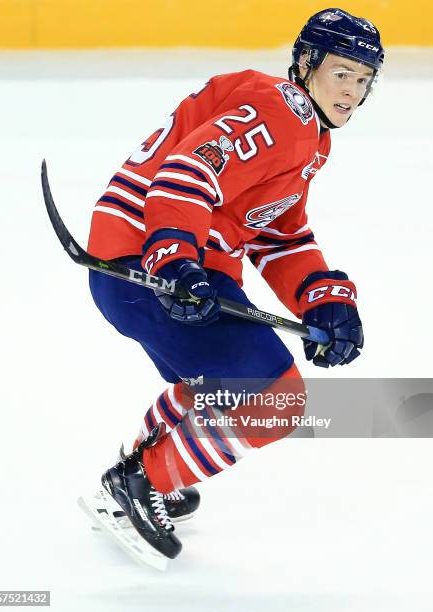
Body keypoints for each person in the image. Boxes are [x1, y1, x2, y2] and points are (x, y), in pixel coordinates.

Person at [86, 8, 384, 560]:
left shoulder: (308, 136)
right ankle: (141, 482)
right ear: (306, 63)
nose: (352, 91)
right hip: (148, 263)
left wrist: (324, 297)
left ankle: (141, 470)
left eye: (364, 79)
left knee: (221, 388)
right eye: (342, 73)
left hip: (153, 266)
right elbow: (186, 174)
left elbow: (276, 232)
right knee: (276, 401)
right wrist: (173, 261)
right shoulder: (284, 109)